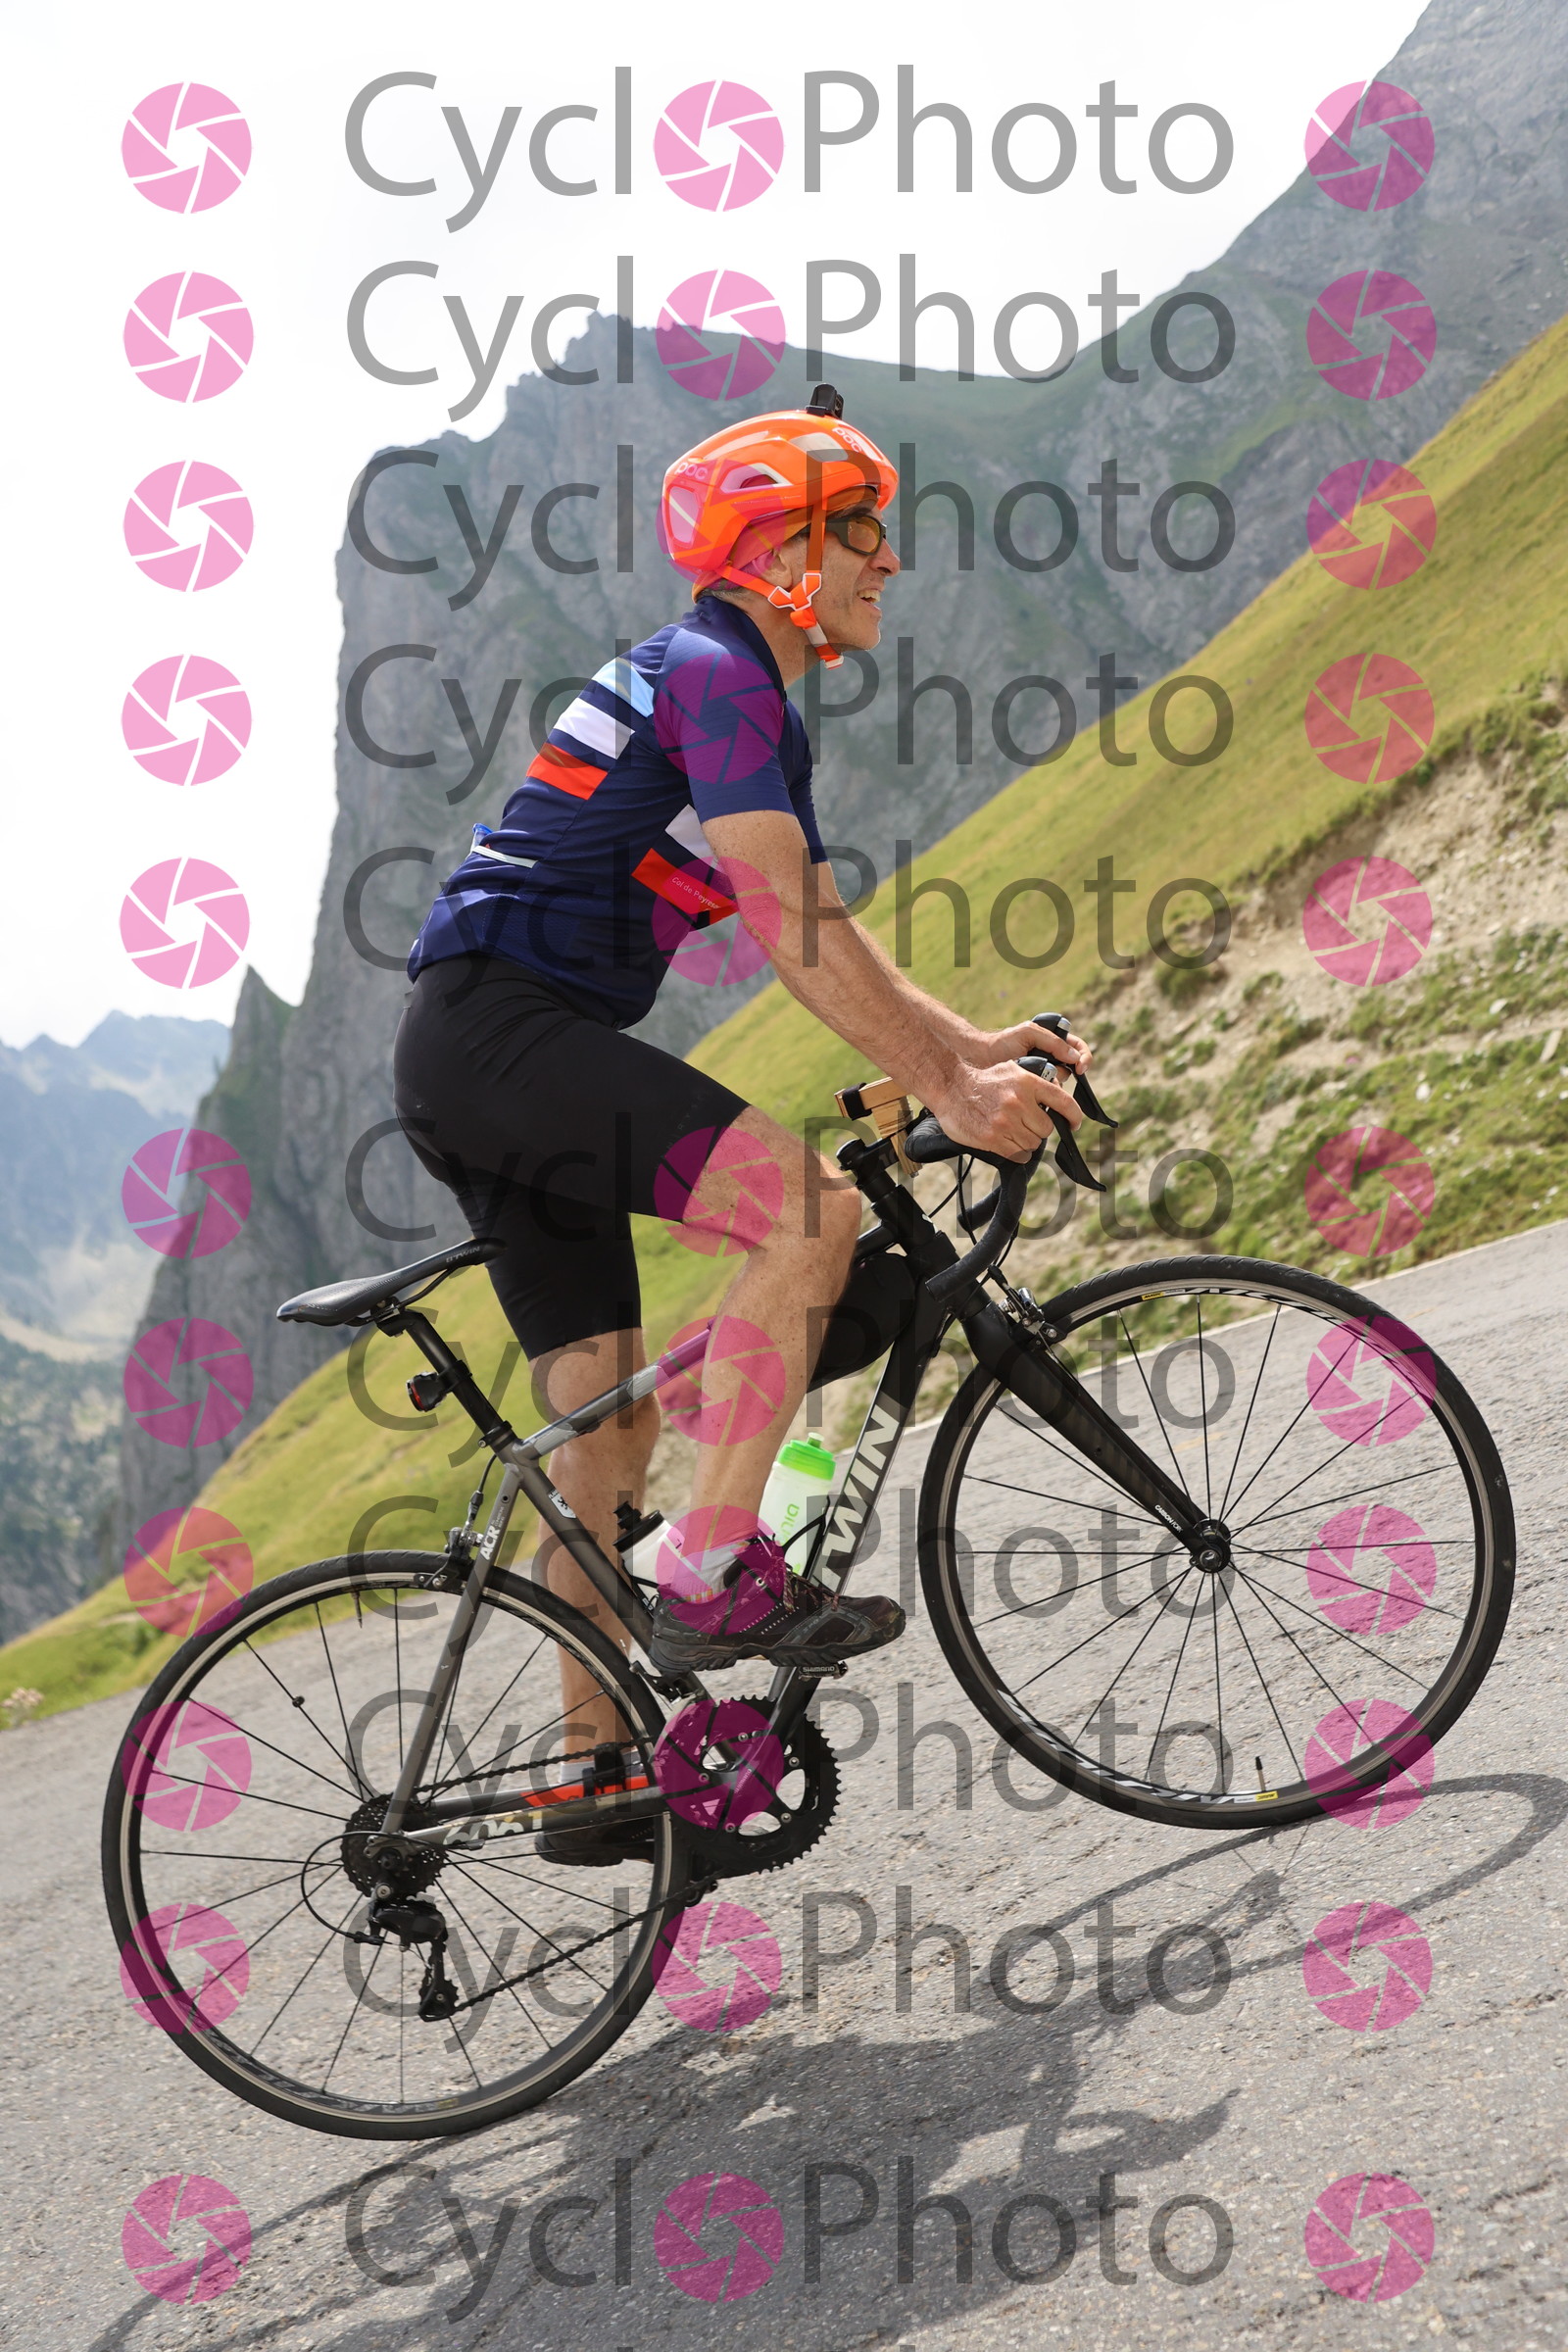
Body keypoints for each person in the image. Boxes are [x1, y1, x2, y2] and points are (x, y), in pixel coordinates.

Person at [392, 391, 1089, 1836]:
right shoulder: (715, 674)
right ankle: (714, 1568)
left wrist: (962, 1046)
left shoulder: (725, 686)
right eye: (861, 532)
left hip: (481, 1050)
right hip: (501, 1035)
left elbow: (819, 922)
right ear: (775, 554)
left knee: (603, 1434)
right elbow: (787, 922)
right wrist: (954, 1088)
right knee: (807, 1214)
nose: (891, 560)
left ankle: (590, 1776)